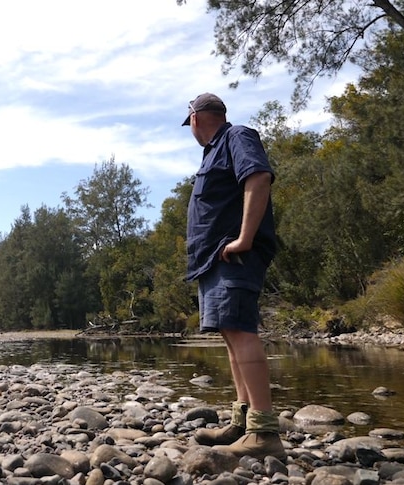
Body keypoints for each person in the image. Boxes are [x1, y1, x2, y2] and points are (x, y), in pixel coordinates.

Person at [182, 93, 286, 461]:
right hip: (213, 259)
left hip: (233, 254)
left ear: (195, 118)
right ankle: (242, 421)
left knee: (242, 332)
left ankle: (264, 431)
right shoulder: (211, 152)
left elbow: (258, 177)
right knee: (230, 334)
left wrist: (244, 238)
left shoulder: (237, 136)